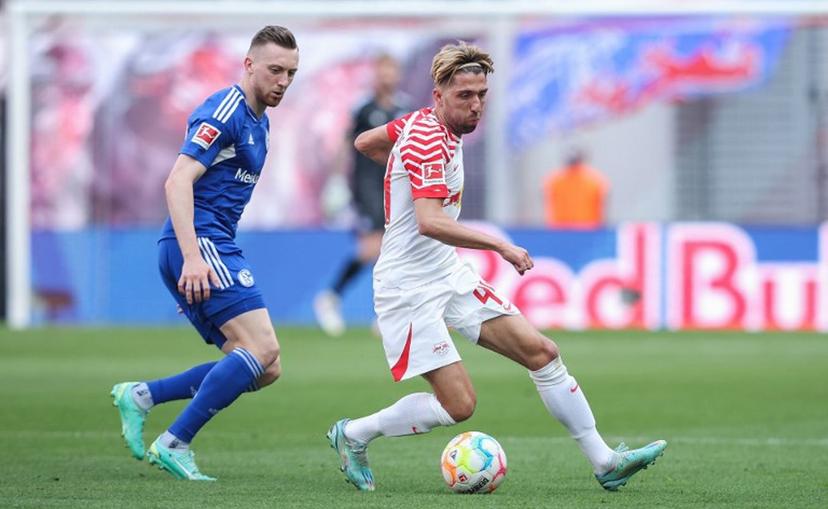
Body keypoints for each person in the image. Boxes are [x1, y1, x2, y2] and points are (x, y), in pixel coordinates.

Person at [326, 42, 666, 492]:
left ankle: (605, 461)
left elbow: (366, 142)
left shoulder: (421, 126)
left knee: (542, 353)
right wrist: (500, 245)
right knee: (459, 405)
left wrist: (401, 173)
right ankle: (353, 434)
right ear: (438, 95)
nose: (476, 104)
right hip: (407, 286)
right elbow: (429, 222)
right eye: (465, 95)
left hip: (445, 272)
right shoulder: (425, 138)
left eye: (482, 94)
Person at [110, 26, 299, 481]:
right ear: (248, 65)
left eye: (291, 73)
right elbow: (177, 180)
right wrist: (192, 259)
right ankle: (174, 442)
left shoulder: (260, 121)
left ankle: (142, 395)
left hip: (209, 244)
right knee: (263, 347)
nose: (283, 81)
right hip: (200, 242)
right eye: (275, 70)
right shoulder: (225, 110)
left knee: (265, 367)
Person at [313, 54, 410, 336]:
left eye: (391, 71)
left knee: (392, 248)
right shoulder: (363, 108)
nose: (387, 77)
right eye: (382, 71)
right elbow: (347, 144)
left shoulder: (405, 108)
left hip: (395, 186)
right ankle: (331, 297)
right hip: (367, 185)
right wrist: (335, 181)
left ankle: (385, 312)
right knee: (372, 247)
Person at [543, 149, 609, 228]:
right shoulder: (555, 180)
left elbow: (602, 203)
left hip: (586, 227)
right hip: (563, 227)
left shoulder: (594, 180)